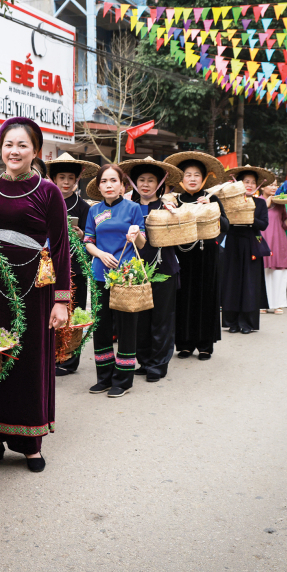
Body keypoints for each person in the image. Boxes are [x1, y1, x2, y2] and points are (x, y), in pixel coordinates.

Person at [0, 117, 71, 472]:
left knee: (28, 361)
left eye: (22, 145)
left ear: (35, 151)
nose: (14, 151)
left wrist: (62, 299)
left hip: (33, 289)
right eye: (8, 144)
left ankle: (30, 444)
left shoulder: (48, 192)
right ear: (1, 148)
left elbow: (60, 247)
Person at [83, 163, 145, 398]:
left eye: (113, 181)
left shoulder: (133, 208)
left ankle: (123, 379)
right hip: (100, 273)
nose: (108, 185)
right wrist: (99, 253)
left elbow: (142, 244)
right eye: (104, 181)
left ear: (122, 185)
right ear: (98, 186)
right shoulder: (94, 210)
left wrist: (136, 234)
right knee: (101, 327)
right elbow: (88, 240)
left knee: (127, 326)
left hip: (126, 276)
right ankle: (104, 377)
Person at [120, 157, 182, 383]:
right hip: (136, 270)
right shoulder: (127, 208)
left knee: (162, 318)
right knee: (141, 318)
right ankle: (145, 361)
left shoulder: (170, 207)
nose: (145, 184)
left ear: (160, 184)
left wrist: (174, 214)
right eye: (141, 180)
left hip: (164, 267)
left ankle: (159, 363)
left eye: (151, 180)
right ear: (134, 183)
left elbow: (180, 237)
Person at [163, 152, 228, 360]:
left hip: (207, 255)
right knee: (182, 299)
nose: (192, 178)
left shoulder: (211, 198)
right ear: (181, 179)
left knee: (206, 298)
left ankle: (205, 345)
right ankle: (184, 344)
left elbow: (225, 226)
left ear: (204, 178)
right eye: (187, 174)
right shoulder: (174, 200)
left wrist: (210, 208)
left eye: (196, 175)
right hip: (181, 257)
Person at [47, 153, 97, 376]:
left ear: (77, 181)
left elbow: (92, 237)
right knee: (52, 311)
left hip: (75, 267)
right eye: (61, 177)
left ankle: (69, 360)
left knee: (73, 312)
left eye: (70, 178)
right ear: (54, 179)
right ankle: (51, 356)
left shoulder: (84, 207)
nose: (66, 182)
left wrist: (81, 234)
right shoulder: (47, 200)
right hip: (49, 266)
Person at [221, 166, 272, 334]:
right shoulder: (229, 201)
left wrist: (249, 218)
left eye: (253, 182)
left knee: (250, 284)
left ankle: (247, 323)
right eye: (246, 181)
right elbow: (224, 224)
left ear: (257, 185)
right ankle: (232, 322)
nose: (249, 185)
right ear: (238, 184)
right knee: (232, 282)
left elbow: (264, 224)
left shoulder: (260, 203)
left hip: (252, 245)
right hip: (232, 244)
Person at [259, 178, 287, 313]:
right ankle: (262, 304)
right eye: (270, 185)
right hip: (261, 240)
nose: (274, 187)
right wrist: (266, 204)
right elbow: (254, 218)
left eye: (275, 185)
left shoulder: (280, 203)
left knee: (279, 272)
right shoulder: (256, 202)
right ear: (261, 187)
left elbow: (285, 225)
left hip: (278, 241)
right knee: (262, 272)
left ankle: (278, 304)